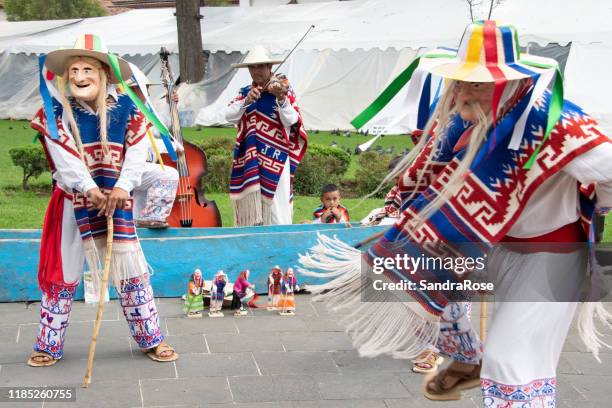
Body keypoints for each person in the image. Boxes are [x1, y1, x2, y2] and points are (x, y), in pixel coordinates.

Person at [300, 20, 612, 406]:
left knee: (511, 361)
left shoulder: (556, 120)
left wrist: (596, 200)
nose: (462, 91)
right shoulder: (466, 117)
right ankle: (466, 360)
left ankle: (493, 375)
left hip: (552, 256)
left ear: (507, 82)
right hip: (499, 247)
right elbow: (432, 171)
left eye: (476, 83)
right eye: (461, 80)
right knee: (440, 288)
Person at [29, 33, 177, 366]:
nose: (80, 77)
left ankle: (150, 338)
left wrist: (123, 187)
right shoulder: (54, 111)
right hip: (72, 202)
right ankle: (48, 343)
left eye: (87, 70)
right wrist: (88, 188)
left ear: (105, 74)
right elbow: (63, 154)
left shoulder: (127, 108)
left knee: (130, 268)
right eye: (74, 71)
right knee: (63, 272)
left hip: (116, 201)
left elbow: (137, 152)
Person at [225, 45, 308, 226]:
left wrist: (281, 99)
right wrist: (246, 102)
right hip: (251, 157)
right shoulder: (245, 92)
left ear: (270, 68)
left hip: (277, 157)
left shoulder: (283, 89)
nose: (257, 71)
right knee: (252, 211)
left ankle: (281, 243)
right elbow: (229, 115)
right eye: (253, 67)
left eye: (261, 66)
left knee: (278, 209)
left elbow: (292, 120)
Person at [127, 63, 181, 229]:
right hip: (127, 166)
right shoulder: (127, 110)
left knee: (140, 204)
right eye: (142, 89)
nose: (146, 94)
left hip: (138, 165)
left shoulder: (142, 109)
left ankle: (140, 224)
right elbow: (139, 141)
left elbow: (158, 128)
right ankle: (153, 216)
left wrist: (171, 105)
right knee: (168, 175)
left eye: (146, 89)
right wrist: (170, 147)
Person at [361, 156, 404, 226]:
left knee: (383, 223)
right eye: (394, 177)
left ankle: (368, 230)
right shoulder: (396, 188)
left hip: (403, 216)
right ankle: (361, 228)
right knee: (374, 212)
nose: (395, 180)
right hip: (393, 214)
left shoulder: (411, 187)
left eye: (397, 177)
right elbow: (388, 207)